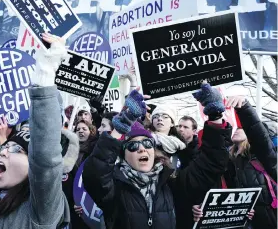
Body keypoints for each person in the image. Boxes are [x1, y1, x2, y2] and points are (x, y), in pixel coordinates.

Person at [83, 83, 233, 229]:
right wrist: (122, 124)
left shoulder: (170, 182)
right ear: (124, 155)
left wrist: (215, 116)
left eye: (147, 144)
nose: (142, 149)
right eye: (133, 146)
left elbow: (211, 163)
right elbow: (96, 172)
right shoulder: (114, 187)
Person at [0, 33, 70, 229]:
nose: (3, 151)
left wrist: (45, 74)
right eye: (6, 146)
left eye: (17, 150)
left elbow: (45, 158)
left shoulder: (41, 210)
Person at [193, 95, 277, 229]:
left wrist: (244, 108)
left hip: (271, 217)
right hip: (248, 222)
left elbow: (260, 137)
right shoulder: (230, 161)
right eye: (235, 126)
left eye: (241, 127)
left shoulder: (259, 155)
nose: (237, 128)